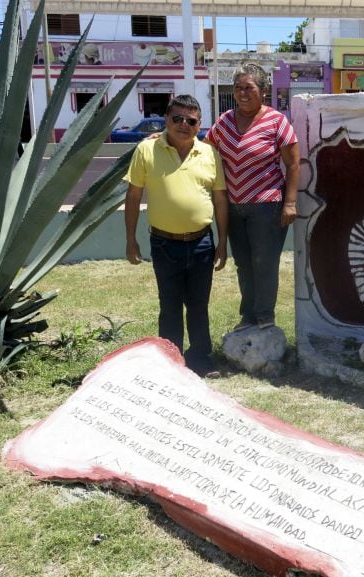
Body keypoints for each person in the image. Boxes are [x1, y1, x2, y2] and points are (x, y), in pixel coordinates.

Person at [124, 94, 228, 377]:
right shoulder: (146, 151)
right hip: (163, 243)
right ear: (167, 120)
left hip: (202, 243)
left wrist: (222, 243)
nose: (184, 124)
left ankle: (200, 360)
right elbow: (133, 196)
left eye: (191, 120)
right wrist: (130, 238)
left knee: (198, 305)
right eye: (177, 118)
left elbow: (220, 200)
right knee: (169, 306)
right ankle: (171, 363)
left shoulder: (209, 154)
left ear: (199, 124)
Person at [205, 62, 300, 331]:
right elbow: (204, 149)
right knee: (243, 264)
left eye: (249, 88)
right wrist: (163, 138)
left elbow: (293, 164)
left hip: (267, 205)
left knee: (264, 263)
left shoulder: (276, 121)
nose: (243, 93)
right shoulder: (224, 121)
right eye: (238, 88)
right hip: (234, 207)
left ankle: (265, 315)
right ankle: (248, 315)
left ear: (263, 91)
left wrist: (290, 203)